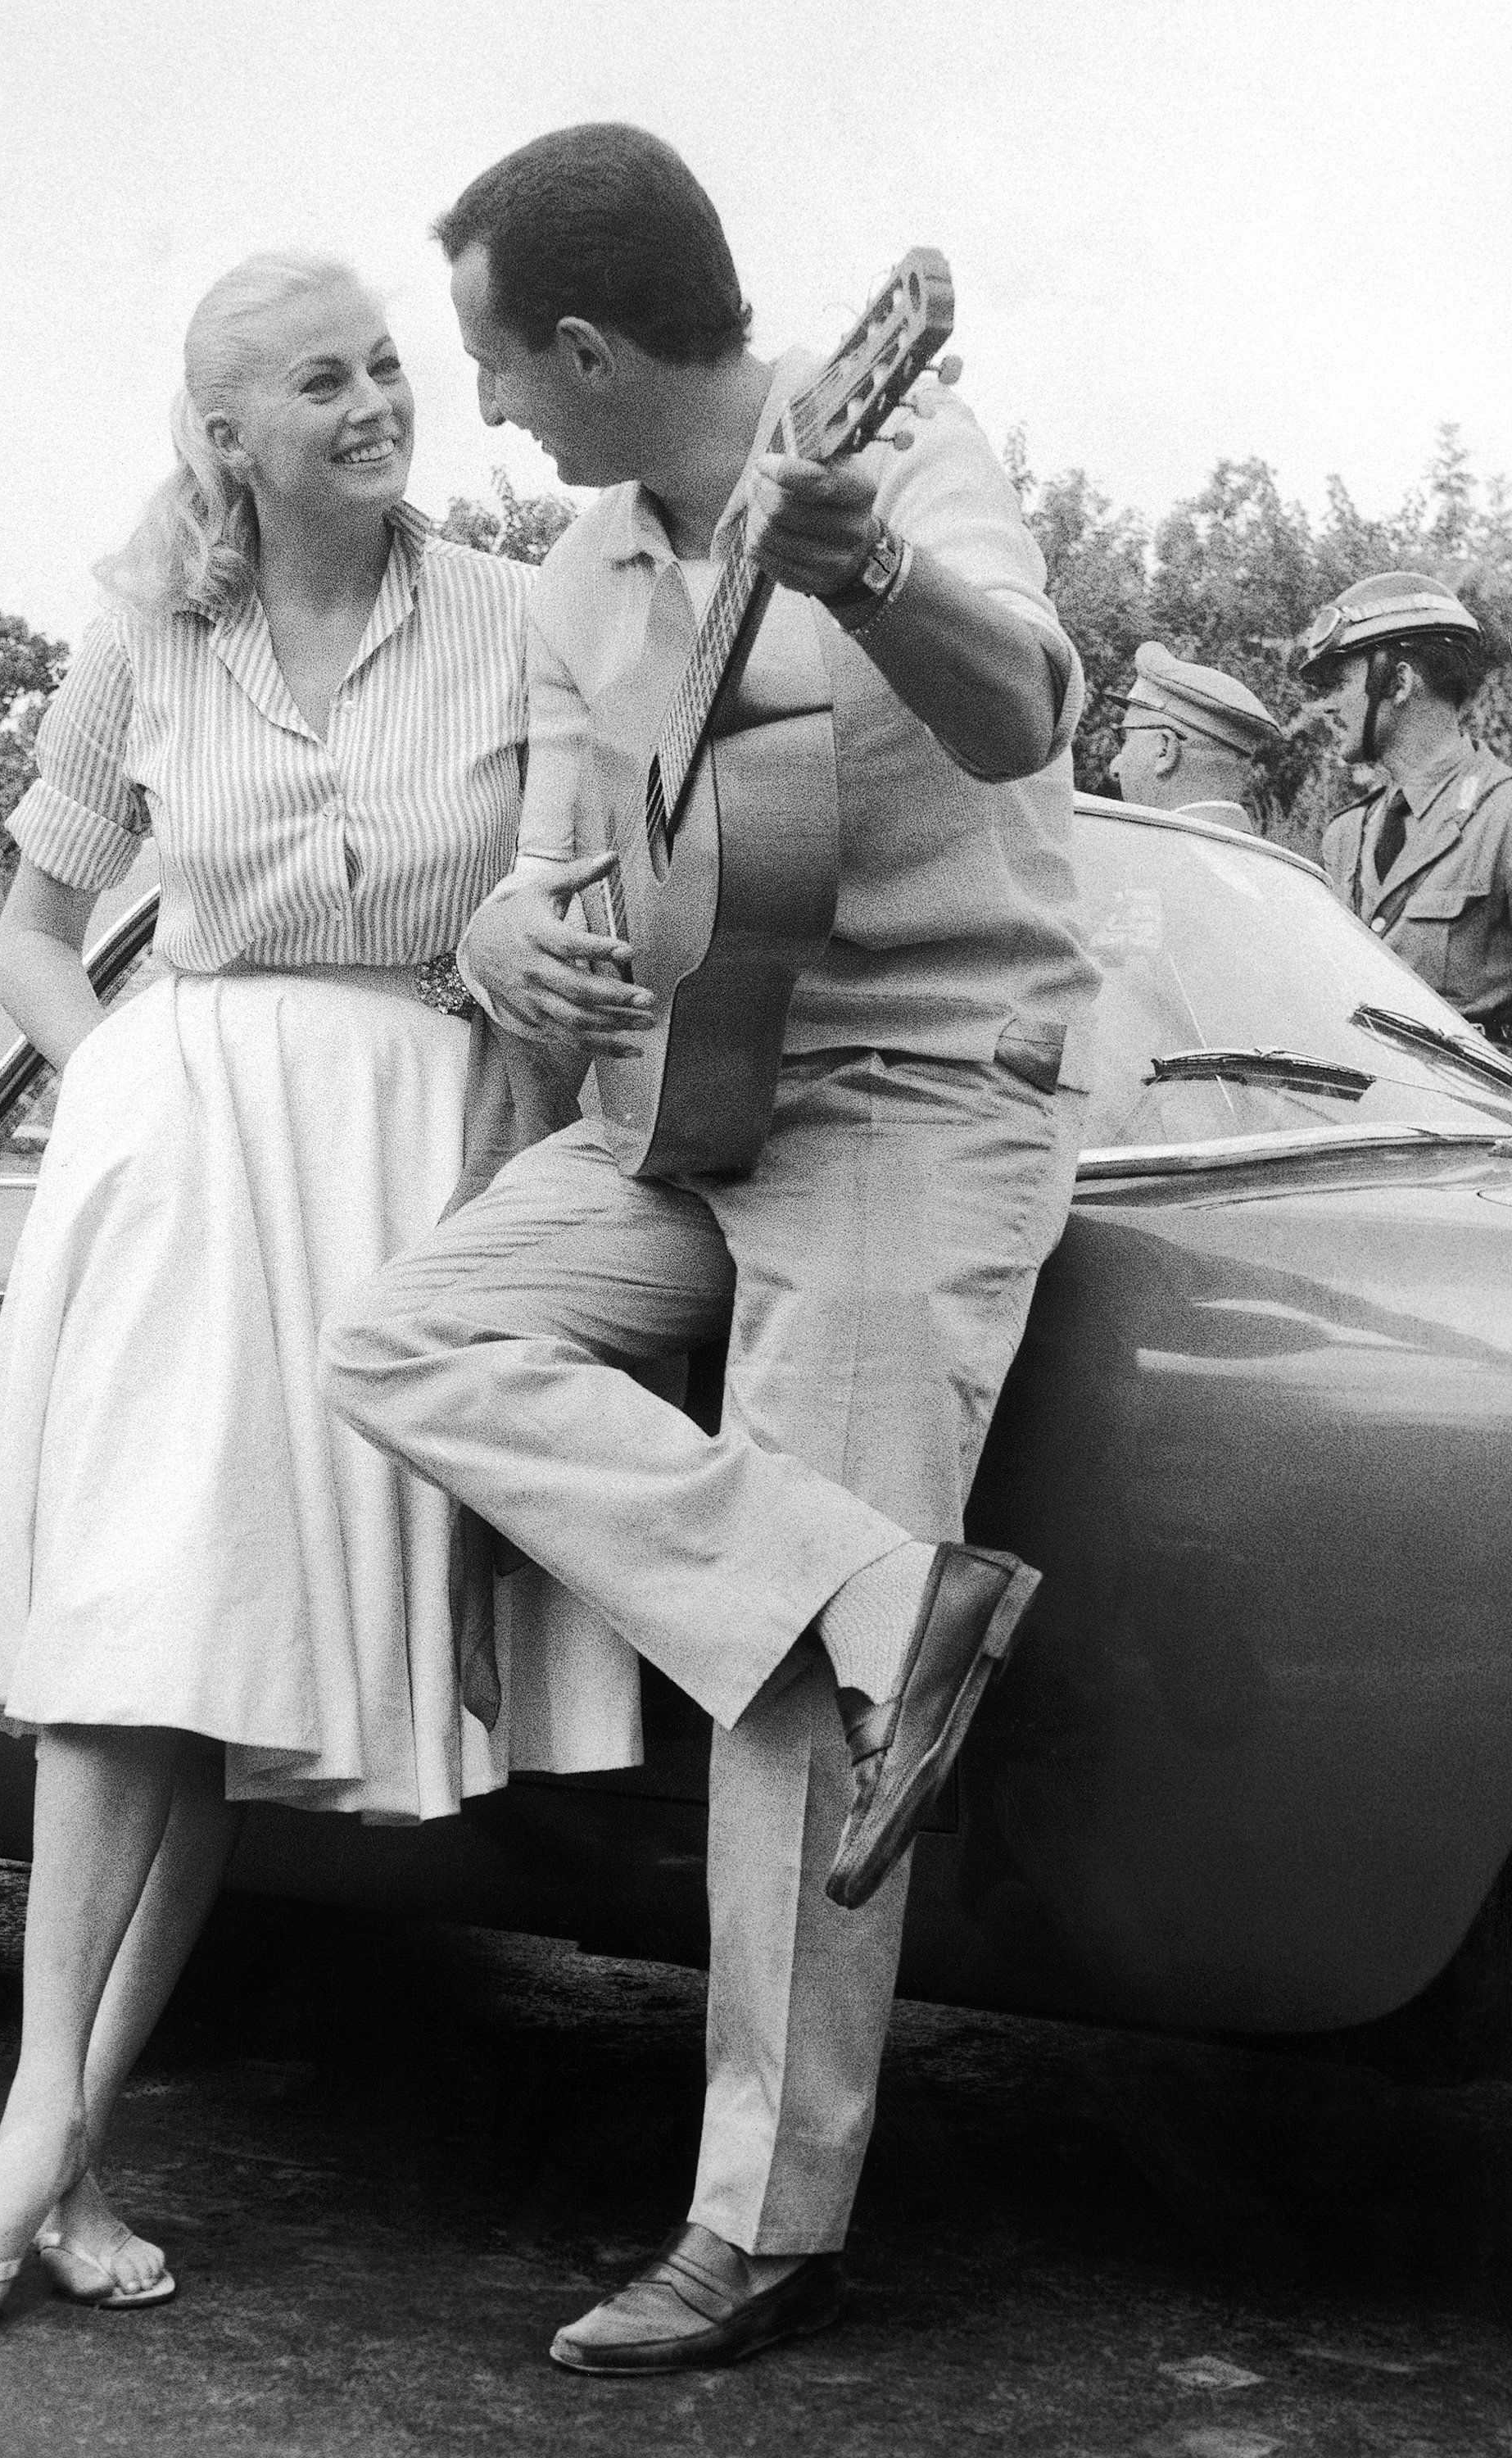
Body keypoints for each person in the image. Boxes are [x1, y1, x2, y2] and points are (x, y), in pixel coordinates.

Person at [319, 124, 1100, 2374]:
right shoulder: (579, 575)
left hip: (914, 1091)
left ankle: (762, 2222)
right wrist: (507, 939)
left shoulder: (893, 445)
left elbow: (1030, 709)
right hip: (679, 1108)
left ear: (587, 347)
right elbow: (571, 861)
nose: (485, 412)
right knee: (408, 1340)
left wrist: (873, 572)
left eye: (493, 368)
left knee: (782, 1694)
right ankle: (883, 1599)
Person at [0, 251, 633, 2341]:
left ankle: (57, 2149)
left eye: (388, 363)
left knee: (208, 1674)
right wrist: (117, 1078)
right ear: (228, 434)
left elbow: (559, 912)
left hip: (410, 1158)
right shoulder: (145, 633)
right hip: (183, 1153)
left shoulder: (514, 615)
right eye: (325, 381)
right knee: (128, 1633)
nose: (380, 401)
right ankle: (37, 2141)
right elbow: (35, 933)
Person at [1307, 572, 1512, 1039]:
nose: (1326, 707)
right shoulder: (1346, 836)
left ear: (1399, 683)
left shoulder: (1502, 817)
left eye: (1339, 684)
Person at [1107, 641, 1280, 831]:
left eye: (1124, 739)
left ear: (1165, 750)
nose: (1115, 768)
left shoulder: (1136, 849)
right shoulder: (1264, 851)